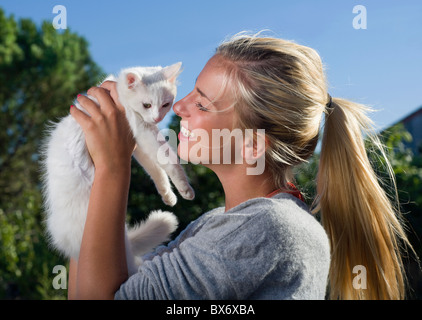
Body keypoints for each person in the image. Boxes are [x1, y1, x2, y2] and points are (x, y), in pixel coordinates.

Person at [68, 33, 413, 300]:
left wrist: (111, 169)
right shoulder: (218, 223)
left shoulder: (269, 228)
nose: (182, 106)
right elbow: (94, 285)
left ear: (251, 145)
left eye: (202, 103)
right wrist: (87, 169)